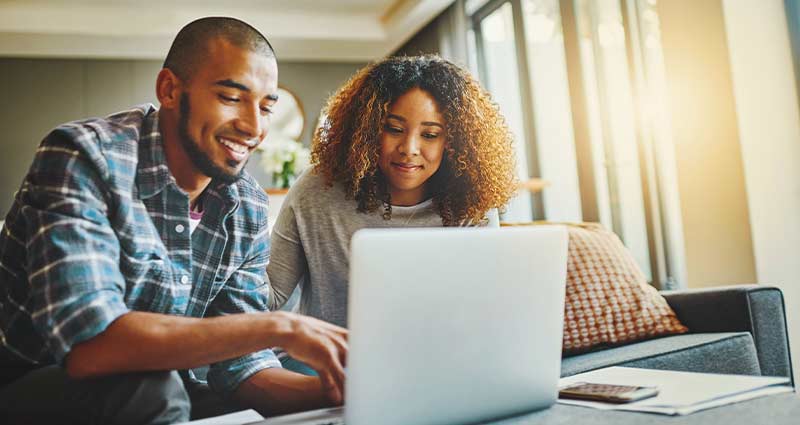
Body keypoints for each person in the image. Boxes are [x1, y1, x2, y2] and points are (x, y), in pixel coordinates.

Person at [0, 17, 347, 423]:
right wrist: (278, 327)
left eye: (266, 106)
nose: (254, 126)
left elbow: (243, 370)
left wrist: (345, 390)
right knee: (154, 390)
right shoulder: (83, 157)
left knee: (240, 405)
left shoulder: (246, 204)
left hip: (158, 389)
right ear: (169, 89)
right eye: (231, 98)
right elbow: (90, 346)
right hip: (29, 383)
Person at [267, 56, 518, 370]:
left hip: (436, 362)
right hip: (329, 364)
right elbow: (271, 294)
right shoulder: (318, 189)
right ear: (368, 128)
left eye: (430, 134)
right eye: (394, 129)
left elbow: (483, 309)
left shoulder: (471, 203)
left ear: (453, 142)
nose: (409, 148)